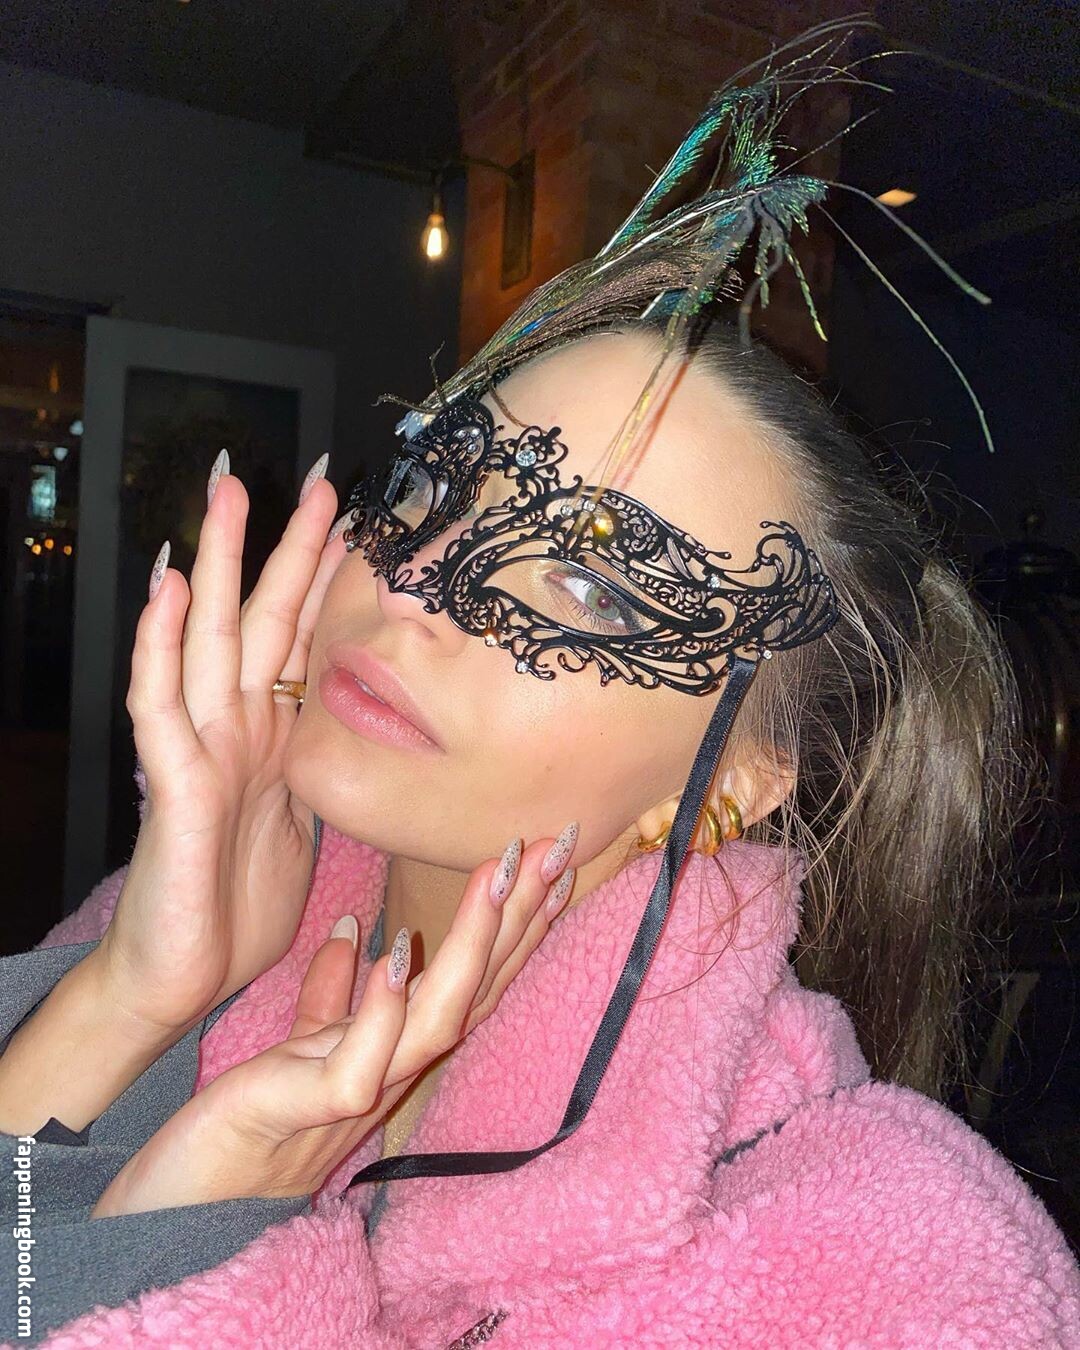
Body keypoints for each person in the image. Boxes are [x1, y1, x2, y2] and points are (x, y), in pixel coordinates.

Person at [3, 32, 1079, 1348]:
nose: (417, 583)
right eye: (432, 485)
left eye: (590, 582)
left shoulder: (885, 1271)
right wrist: (124, 1000)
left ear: (741, 779)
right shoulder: (190, 920)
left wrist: (205, 1226)